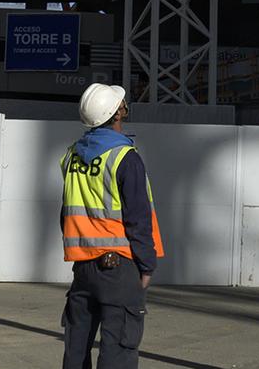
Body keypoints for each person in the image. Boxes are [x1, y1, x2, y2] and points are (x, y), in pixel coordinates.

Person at [60, 83, 163, 369]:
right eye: (122, 103)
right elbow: (137, 218)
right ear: (118, 113)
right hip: (119, 269)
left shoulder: (72, 156)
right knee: (118, 349)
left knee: (76, 350)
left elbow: (66, 211)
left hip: (83, 269)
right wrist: (146, 266)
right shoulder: (125, 158)